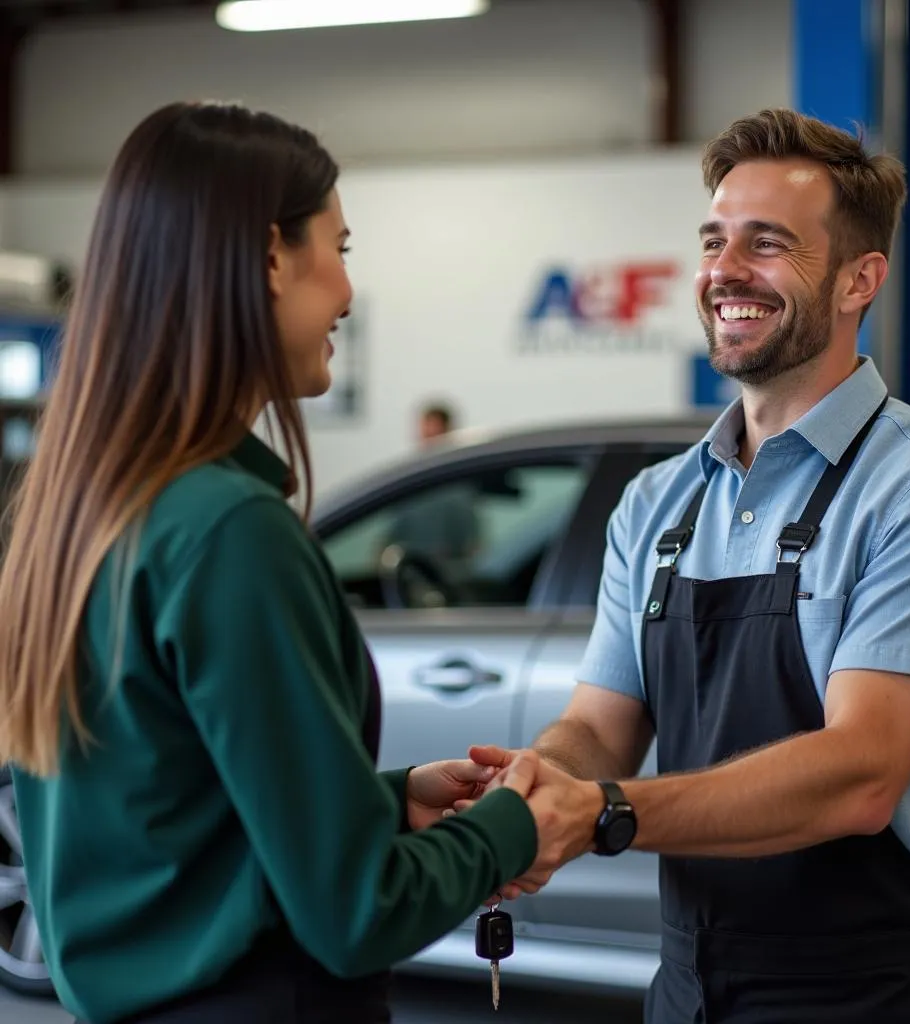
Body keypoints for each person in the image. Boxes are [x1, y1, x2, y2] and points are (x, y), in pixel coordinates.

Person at [0, 102, 573, 1024]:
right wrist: (519, 825)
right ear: (271, 257)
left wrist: (380, 803)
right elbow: (357, 912)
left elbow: (163, 825)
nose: (348, 290)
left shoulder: (87, 515)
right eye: (340, 248)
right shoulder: (229, 530)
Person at [469, 108, 910, 1023]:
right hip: (688, 981)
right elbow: (601, 725)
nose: (725, 271)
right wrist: (537, 788)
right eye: (715, 240)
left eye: (767, 245)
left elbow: (861, 775)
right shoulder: (657, 502)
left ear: (859, 279)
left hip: (869, 992)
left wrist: (603, 811)